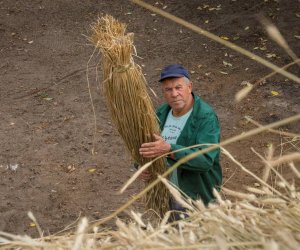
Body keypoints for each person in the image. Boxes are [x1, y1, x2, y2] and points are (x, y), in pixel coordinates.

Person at [139, 64, 222, 214]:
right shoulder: (160, 114)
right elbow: (148, 146)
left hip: (195, 197)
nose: (174, 94)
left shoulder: (205, 117)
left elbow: (205, 160)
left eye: (178, 88)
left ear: (189, 87)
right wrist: (141, 167)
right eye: (168, 89)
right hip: (165, 194)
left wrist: (170, 149)